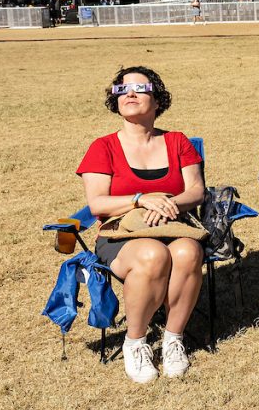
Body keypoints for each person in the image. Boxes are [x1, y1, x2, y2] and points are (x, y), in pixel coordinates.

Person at [77, 66, 207, 383]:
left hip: (173, 224)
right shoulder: (103, 147)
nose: (130, 94)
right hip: (122, 233)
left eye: (139, 88)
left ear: (157, 99)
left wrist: (170, 203)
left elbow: (197, 190)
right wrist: (140, 199)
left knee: (188, 253)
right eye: (122, 90)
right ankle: (135, 341)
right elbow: (97, 204)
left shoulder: (177, 142)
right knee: (152, 255)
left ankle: (173, 339)